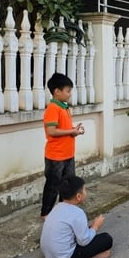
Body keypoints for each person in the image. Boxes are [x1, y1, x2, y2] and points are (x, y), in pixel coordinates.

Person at [40, 175, 113, 258]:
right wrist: (95, 226)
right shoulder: (78, 213)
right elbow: (83, 241)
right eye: (84, 190)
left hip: (48, 254)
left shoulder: (56, 207)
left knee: (86, 229)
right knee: (106, 239)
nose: (86, 192)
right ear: (78, 196)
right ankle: (89, 257)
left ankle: (79, 255)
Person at [40, 73, 85, 219]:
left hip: (67, 154)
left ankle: (63, 211)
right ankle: (46, 213)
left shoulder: (64, 107)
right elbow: (51, 131)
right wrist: (71, 131)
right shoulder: (53, 108)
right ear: (57, 91)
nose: (69, 94)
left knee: (68, 186)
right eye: (68, 91)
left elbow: (63, 129)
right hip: (56, 155)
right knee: (53, 185)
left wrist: (74, 131)